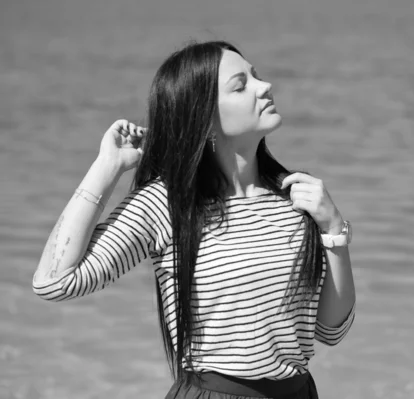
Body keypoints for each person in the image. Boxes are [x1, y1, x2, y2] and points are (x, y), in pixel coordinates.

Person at [32, 40, 356, 399]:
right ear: (204, 117)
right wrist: (106, 168)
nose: (264, 87)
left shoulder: (296, 197)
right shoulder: (168, 204)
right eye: (241, 85)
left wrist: (333, 230)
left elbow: (331, 331)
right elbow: (53, 282)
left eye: (256, 76)